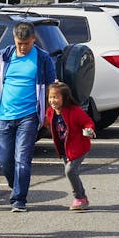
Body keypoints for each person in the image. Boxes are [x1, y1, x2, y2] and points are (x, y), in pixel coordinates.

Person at [0, 21, 56, 212]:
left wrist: (50, 113)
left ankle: (19, 199)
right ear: (14, 40)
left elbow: (50, 86)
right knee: (4, 159)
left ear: (34, 39)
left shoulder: (43, 58)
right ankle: (16, 184)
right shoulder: (4, 56)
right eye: (19, 43)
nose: (23, 47)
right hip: (4, 115)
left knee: (22, 159)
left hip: (29, 116)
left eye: (26, 43)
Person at [45, 81, 96, 211]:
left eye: (56, 97)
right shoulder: (51, 112)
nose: (52, 100)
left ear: (65, 98)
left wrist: (89, 130)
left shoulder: (74, 111)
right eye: (50, 97)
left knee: (70, 171)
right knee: (72, 173)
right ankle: (82, 197)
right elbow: (47, 122)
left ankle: (80, 198)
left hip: (78, 147)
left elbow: (87, 122)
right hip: (64, 149)